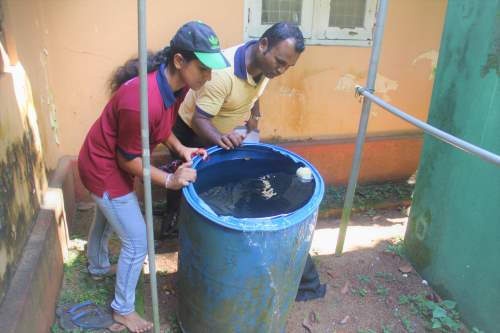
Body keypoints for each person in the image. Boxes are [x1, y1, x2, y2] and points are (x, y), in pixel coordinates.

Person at [77, 21, 228, 332]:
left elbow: (161, 127)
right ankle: (123, 309)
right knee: (137, 240)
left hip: (105, 161)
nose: (209, 76)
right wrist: (170, 181)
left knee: (106, 219)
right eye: (204, 68)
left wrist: (182, 148)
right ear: (179, 61)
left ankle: (97, 266)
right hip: (103, 167)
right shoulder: (140, 100)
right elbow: (127, 158)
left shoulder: (176, 85)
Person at [162, 22, 326, 302]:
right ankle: (174, 221)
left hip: (224, 126)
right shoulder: (223, 74)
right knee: (184, 183)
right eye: (280, 62)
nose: (281, 70)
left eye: (288, 66)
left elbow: (255, 91)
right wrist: (221, 139)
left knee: (232, 185)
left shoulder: (265, 65)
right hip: (191, 129)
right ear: (263, 45)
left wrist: (253, 117)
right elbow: (201, 120)